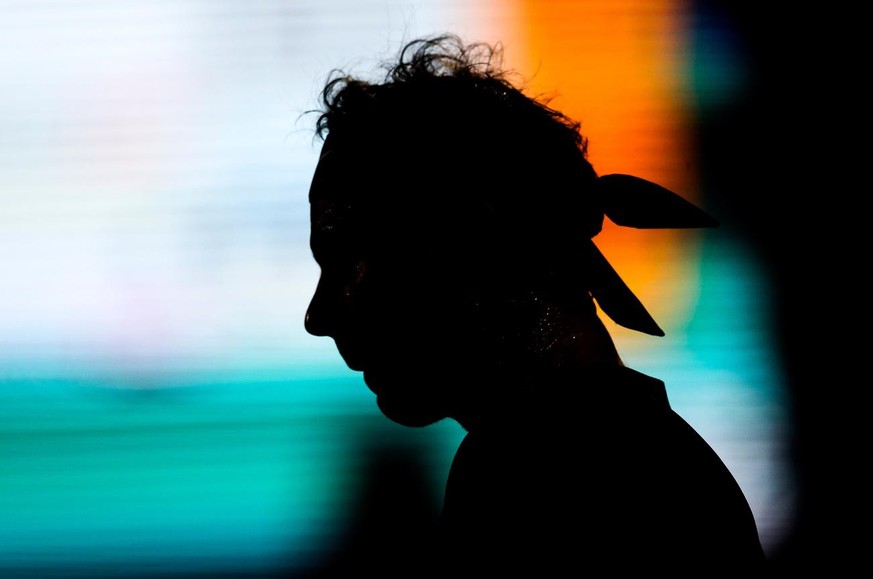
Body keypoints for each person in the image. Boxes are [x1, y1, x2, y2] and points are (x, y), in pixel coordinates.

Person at [303, 33, 766, 575]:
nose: (319, 316)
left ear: (471, 246)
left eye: (347, 258)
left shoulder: (535, 475)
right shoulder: (639, 459)